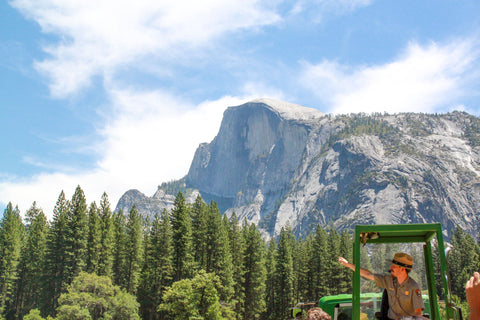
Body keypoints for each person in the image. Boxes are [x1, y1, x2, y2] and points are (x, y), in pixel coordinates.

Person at [339, 253, 424, 320]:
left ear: (402, 269)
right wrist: (348, 265)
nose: (390, 268)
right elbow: (368, 274)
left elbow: (418, 313)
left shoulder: (413, 287)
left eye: (394, 266)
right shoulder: (388, 281)